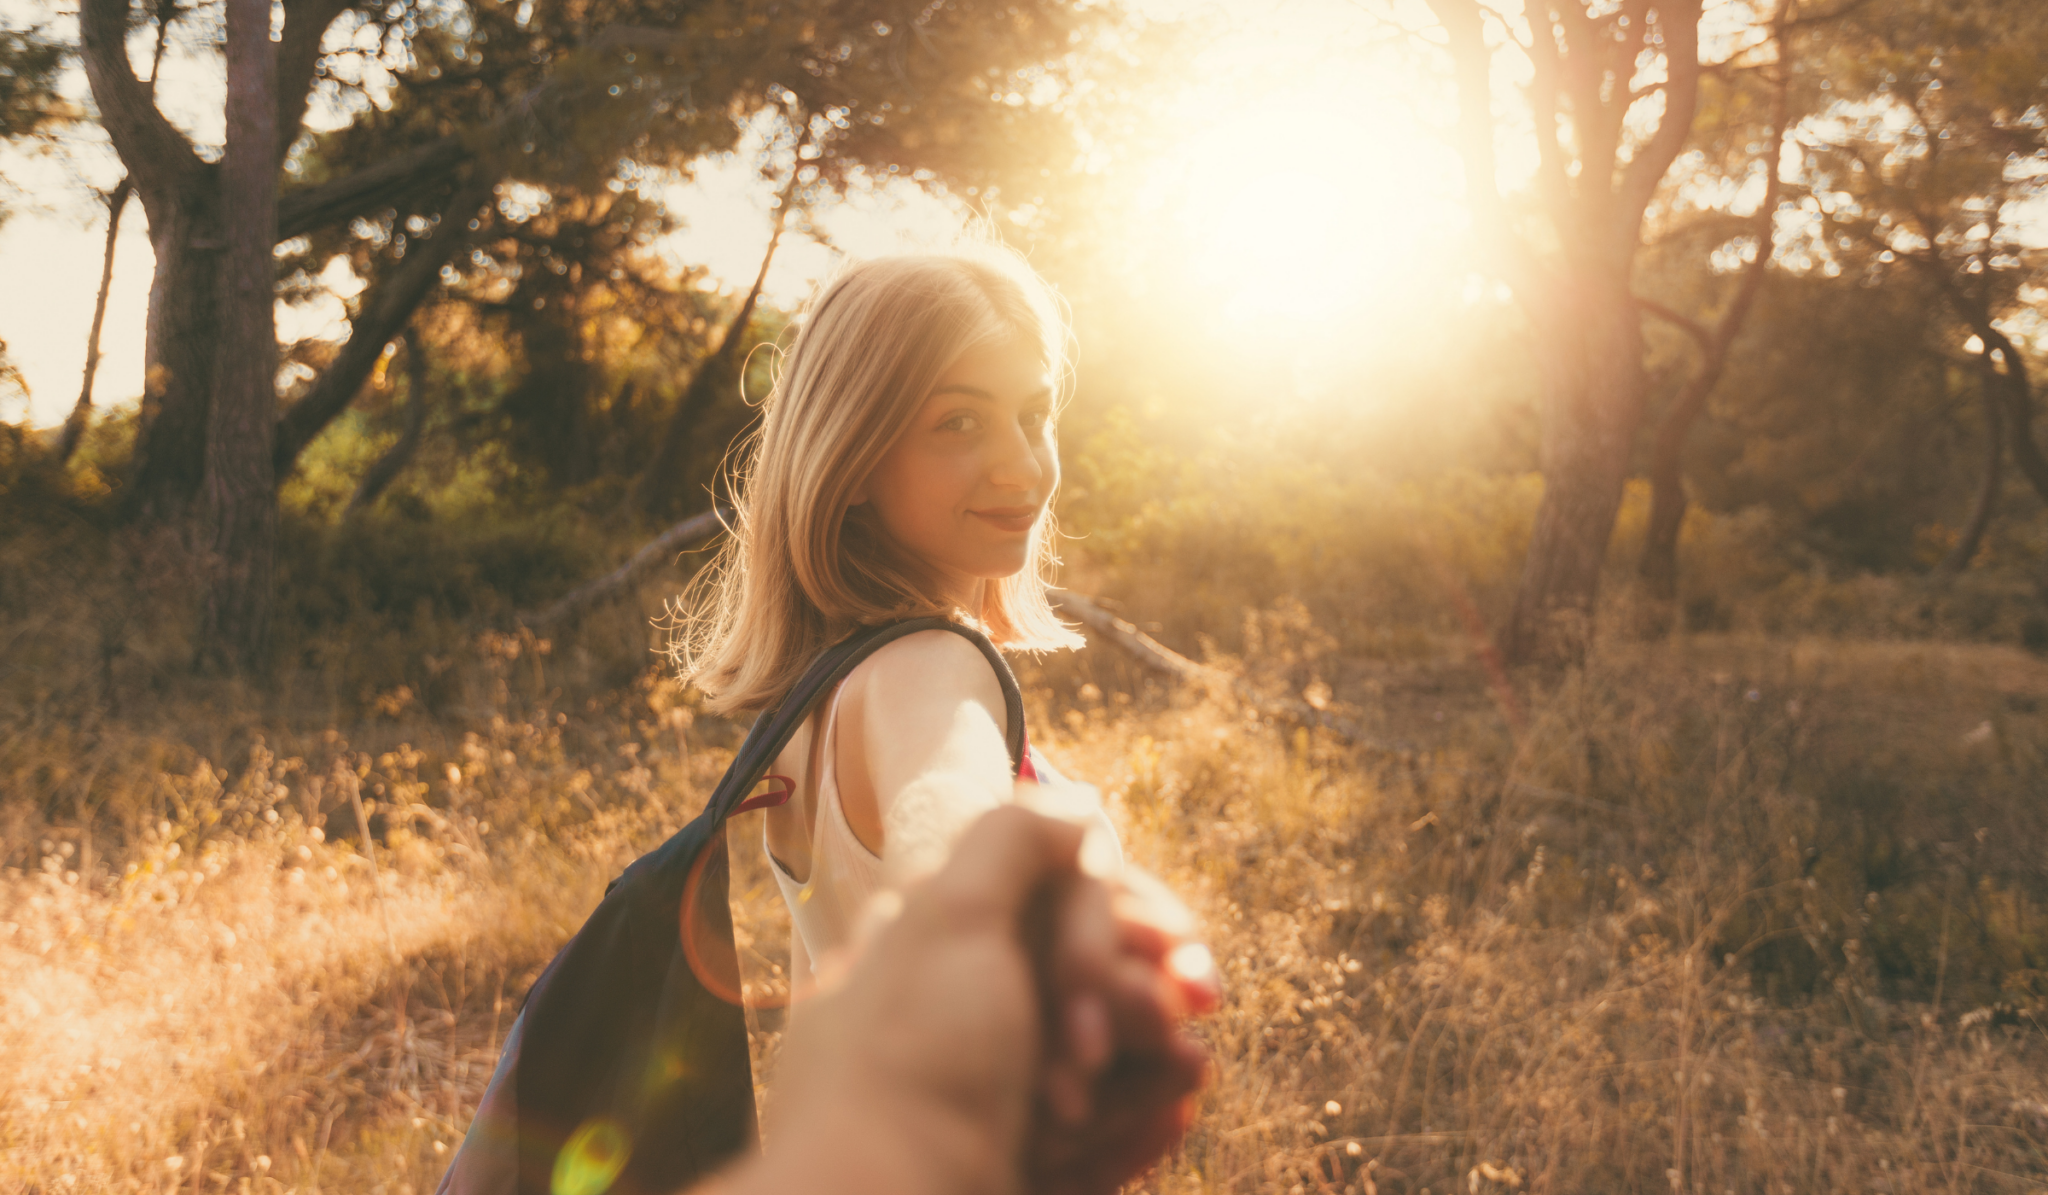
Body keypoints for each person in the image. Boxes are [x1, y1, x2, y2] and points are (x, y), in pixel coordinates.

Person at [676, 247, 1121, 984]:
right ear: (850, 459)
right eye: (959, 422)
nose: (1023, 465)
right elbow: (945, 803)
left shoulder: (810, 704)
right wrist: (971, 894)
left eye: (1033, 415)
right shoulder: (930, 666)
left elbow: (820, 998)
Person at [706, 805, 1218, 1195]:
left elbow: (815, 964)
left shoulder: (790, 715)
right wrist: (908, 1126)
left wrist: (848, 1122)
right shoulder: (925, 667)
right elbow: (953, 810)